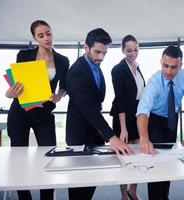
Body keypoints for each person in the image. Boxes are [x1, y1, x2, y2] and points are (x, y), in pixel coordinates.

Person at [65, 28, 133, 200]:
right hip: (79, 135)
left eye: (104, 53)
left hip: (94, 133)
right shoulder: (76, 72)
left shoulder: (95, 66)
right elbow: (88, 108)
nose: (101, 57)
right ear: (85, 47)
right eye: (97, 52)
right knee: (79, 186)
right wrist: (112, 137)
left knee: (90, 182)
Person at [5, 20, 69, 200]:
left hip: (44, 113)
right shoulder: (23, 55)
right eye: (41, 35)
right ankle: (24, 197)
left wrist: (59, 95)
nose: (46, 38)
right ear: (34, 38)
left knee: (48, 157)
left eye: (48, 33)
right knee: (19, 159)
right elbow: (19, 84)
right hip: (20, 112)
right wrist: (11, 92)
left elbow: (64, 87)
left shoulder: (63, 61)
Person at [136, 45, 184, 200]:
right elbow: (143, 110)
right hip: (154, 120)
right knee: (155, 161)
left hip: (171, 119)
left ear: (181, 65)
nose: (169, 71)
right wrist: (144, 139)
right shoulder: (154, 80)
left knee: (168, 160)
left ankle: (164, 196)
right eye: (166, 66)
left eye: (174, 67)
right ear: (161, 62)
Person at [110, 35, 145, 200]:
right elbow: (120, 100)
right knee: (123, 157)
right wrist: (123, 128)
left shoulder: (137, 67)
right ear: (123, 50)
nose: (133, 53)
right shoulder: (118, 69)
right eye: (129, 50)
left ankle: (133, 190)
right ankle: (124, 195)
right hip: (122, 117)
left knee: (138, 155)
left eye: (136, 50)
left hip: (136, 116)